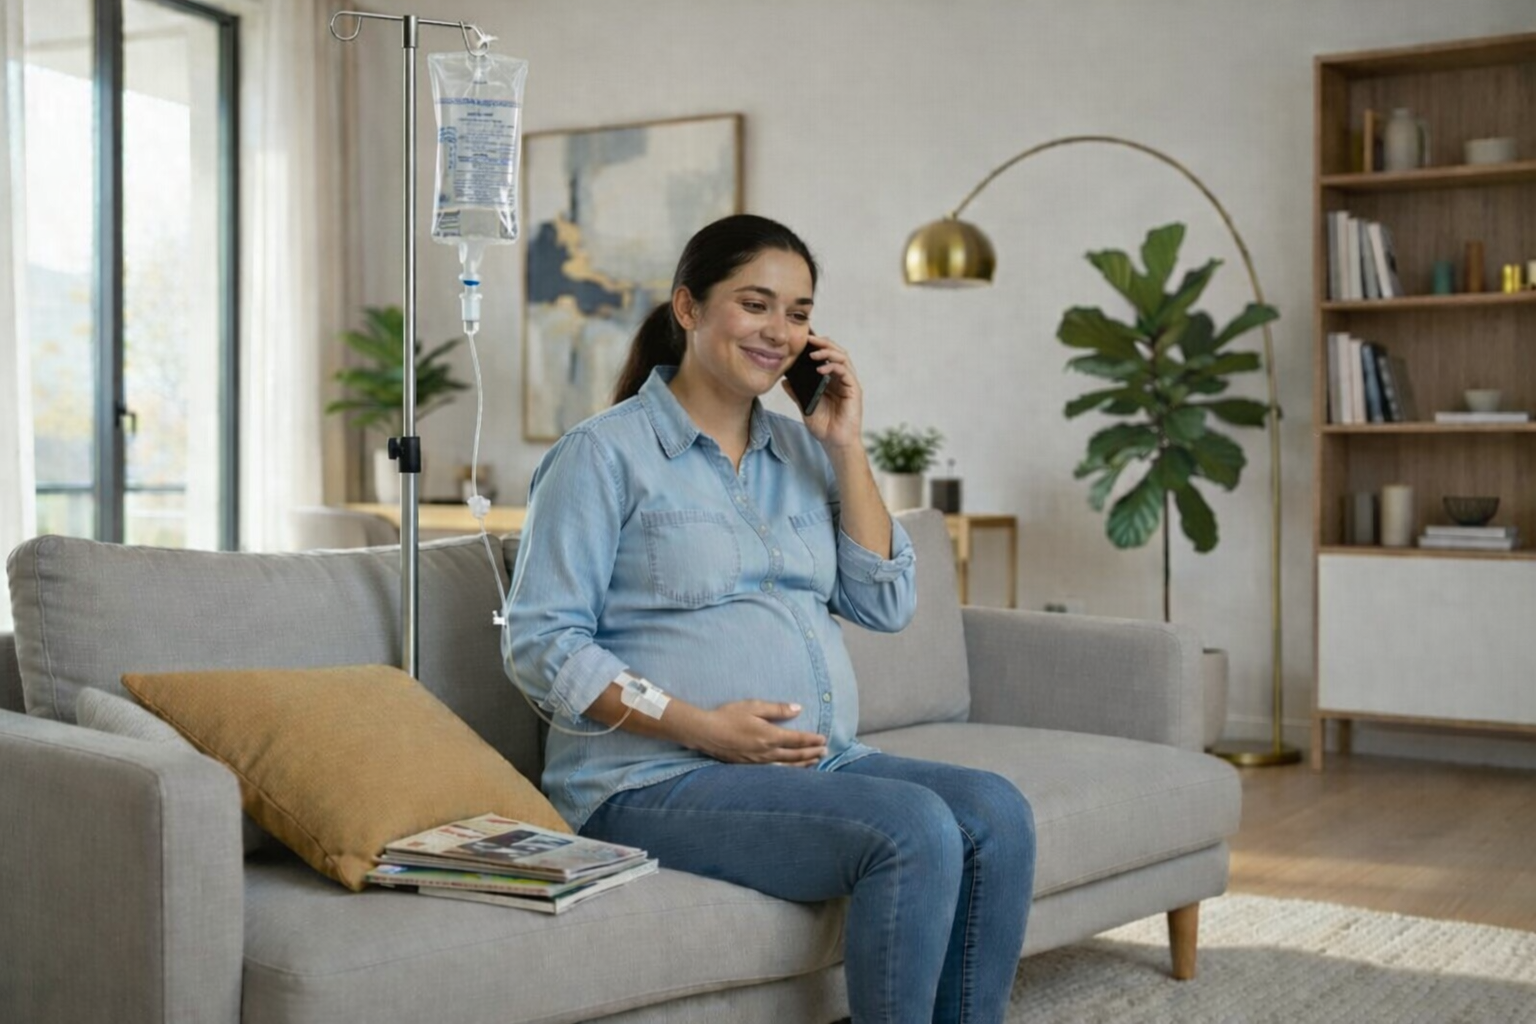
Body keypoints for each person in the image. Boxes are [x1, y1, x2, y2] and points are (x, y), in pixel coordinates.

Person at [503, 213, 1035, 1024]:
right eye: (756, 305)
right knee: (914, 828)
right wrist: (700, 727)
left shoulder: (803, 454)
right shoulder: (601, 456)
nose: (779, 331)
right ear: (688, 307)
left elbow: (885, 603)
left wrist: (846, 444)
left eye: (798, 313)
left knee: (996, 812)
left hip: (814, 763)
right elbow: (542, 645)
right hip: (649, 781)